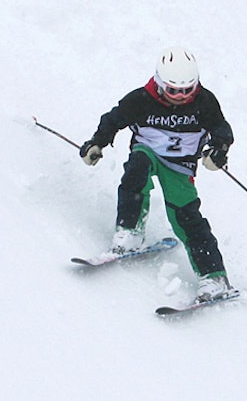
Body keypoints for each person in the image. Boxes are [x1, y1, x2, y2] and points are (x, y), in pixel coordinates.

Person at [79, 47, 235, 301]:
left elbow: (221, 130)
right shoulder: (140, 100)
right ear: (160, 83)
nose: (181, 97)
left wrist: (218, 151)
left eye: (188, 90)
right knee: (137, 167)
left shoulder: (204, 102)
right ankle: (129, 231)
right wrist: (96, 143)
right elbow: (112, 120)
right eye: (173, 90)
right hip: (148, 152)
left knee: (186, 216)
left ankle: (213, 276)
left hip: (180, 166)